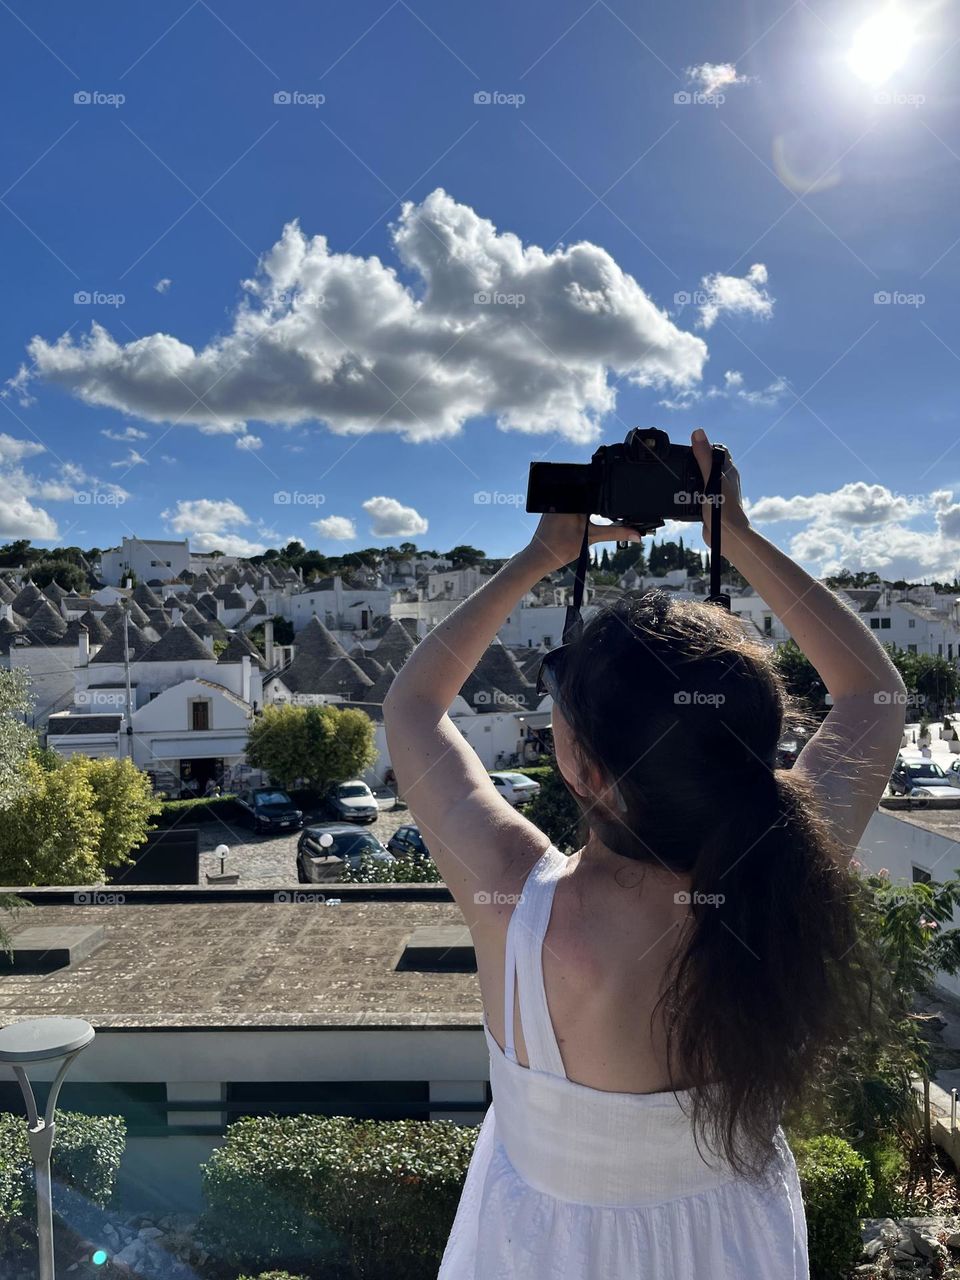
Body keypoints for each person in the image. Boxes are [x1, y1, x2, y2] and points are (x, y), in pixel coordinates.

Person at [383, 429, 906, 1279]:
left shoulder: (517, 898)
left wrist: (539, 557)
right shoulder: (785, 859)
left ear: (586, 768)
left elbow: (413, 707)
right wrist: (735, 535)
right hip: (737, 1249)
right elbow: (874, 696)